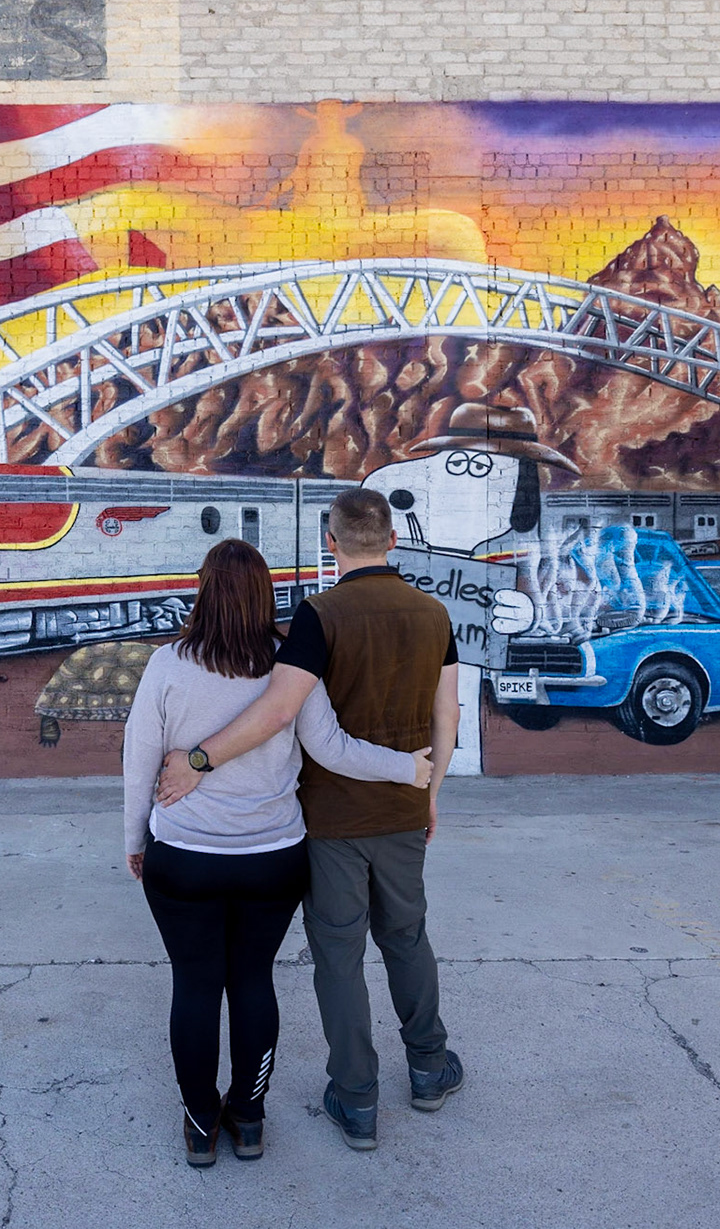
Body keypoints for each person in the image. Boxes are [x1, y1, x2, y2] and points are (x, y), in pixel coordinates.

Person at [156, 487, 463, 1151]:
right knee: (407, 937)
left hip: (330, 822)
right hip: (405, 810)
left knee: (340, 956)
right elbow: (448, 718)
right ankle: (431, 1067)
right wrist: (430, 790)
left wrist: (198, 760)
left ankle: (356, 1101)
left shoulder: (320, 616)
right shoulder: (435, 613)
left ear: (332, 542)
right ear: (393, 540)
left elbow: (276, 712)